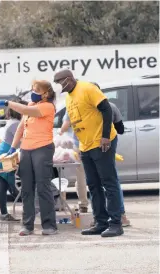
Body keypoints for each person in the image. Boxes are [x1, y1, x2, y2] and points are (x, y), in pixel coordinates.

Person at [54, 69, 123, 237]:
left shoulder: (88, 88)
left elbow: (106, 109)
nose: (58, 87)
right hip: (85, 146)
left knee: (109, 182)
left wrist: (105, 136)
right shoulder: (69, 97)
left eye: (60, 82)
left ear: (69, 79)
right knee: (93, 184)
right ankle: (101, 222)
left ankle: (116, 223)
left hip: (101, 142)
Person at [4, 80, 58, 236]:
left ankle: (49, 225)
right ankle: (27, 225)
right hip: (26, 150)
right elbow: (21, 127)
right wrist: (12, 148)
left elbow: (25, 110)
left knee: (43, 187)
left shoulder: (47, 107)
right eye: (32, 89)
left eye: (36, 90)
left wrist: (9, 103)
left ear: (46, 93)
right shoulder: (31, 106)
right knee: (26, 189)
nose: (33, 92)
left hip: (43, 148)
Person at [0, 99, 26, 222]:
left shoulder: (13, 122)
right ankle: (4, 213)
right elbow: (23, 140)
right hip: (5, 155)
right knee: (3, 185)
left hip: (3, 153)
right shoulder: (16, 124)